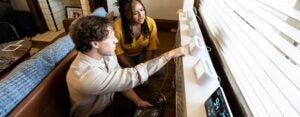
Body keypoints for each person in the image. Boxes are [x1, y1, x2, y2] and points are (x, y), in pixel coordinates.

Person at [67, 15, 187, 116]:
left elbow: (121, 81)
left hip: (111, 98)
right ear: (95, 43)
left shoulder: (106, 53)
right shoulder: (85, 76)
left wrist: (138, 101)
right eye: (111, 38)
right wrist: (170, 54)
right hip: (96, 114)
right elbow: (133, 75)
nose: (116, 40)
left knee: (152, 106)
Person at [114, 0, 160, 70]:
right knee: (130, 77)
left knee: (160, 72)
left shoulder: (150, 22)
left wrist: (145, 67)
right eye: (135, 13)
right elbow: (118, 52)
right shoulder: (117, 26)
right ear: (127, 14)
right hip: (125, 56)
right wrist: (134, 71)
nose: (141, 15)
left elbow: (151, 48)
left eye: (142, 10)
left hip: (142, 53)